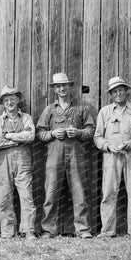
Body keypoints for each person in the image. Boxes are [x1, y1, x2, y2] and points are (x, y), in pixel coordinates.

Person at [36, 72, 93, 239]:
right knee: (51, 191)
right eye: (58, 86)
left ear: (70, 87)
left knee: (79, 191)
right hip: (54, 154)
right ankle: (48, 230)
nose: (62, 89)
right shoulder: (49, 110)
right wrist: (53, 134)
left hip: (76, 154)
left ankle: (82, 230)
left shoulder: (82, 108)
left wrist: (78, 132)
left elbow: (90, 131)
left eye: (64, 86)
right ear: (55, 89)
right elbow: (39, 133)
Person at [94, 76, 131, 238]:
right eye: (114, 91)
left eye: (121, 90)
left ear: (126, 92)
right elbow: (97, 137)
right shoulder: (104, 112)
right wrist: (107, 146)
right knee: (108, 193)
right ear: (111, 94)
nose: (118, 93)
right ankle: (107, 231)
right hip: (111, 157)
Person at [0, 85, 37, 240]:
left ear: (18, 100)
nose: (10, 102)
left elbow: (31, 136)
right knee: (4, 197)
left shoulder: (26, 118)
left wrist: (10, 136)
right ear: (3, 103)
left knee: (26, 195)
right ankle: (7, 232)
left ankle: (28, 231)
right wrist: (19, 139)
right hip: (3, 161)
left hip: (22, 160)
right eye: (6, 100)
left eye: (12, 99)